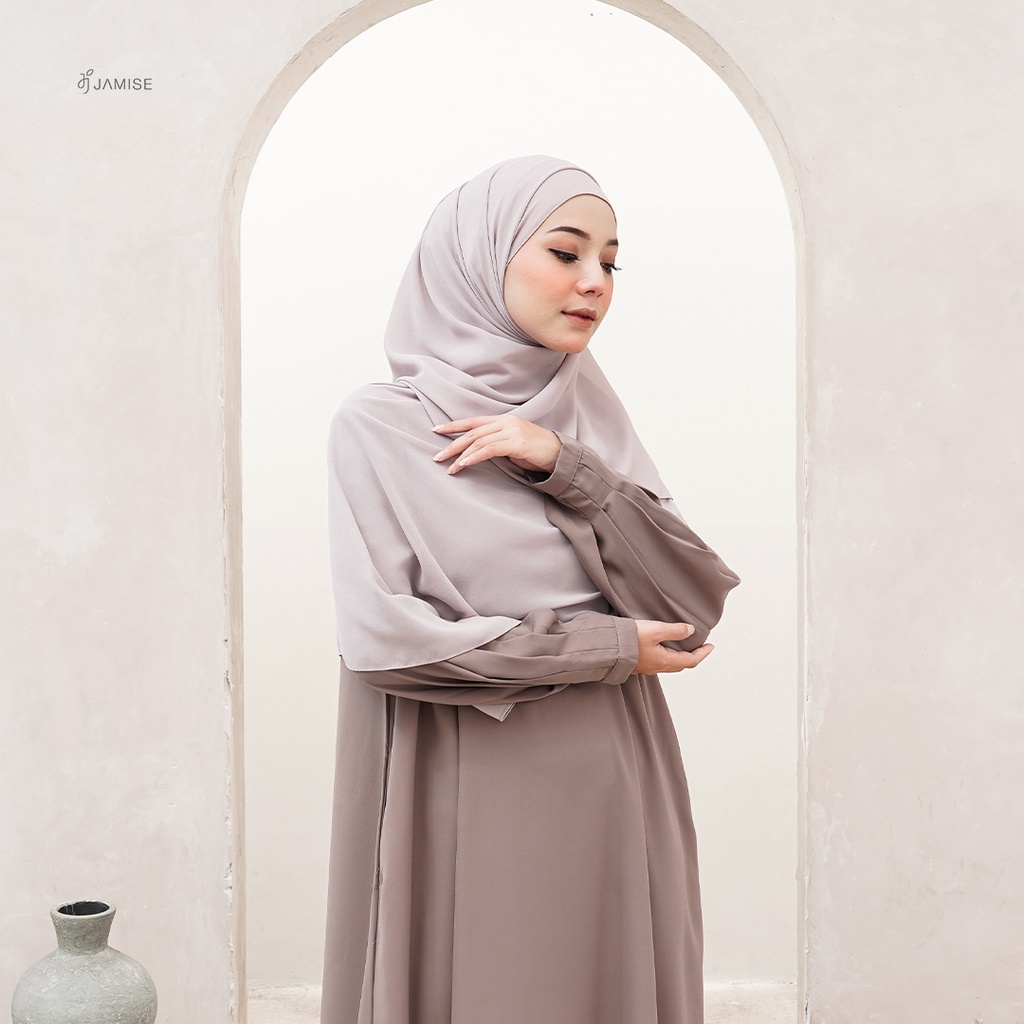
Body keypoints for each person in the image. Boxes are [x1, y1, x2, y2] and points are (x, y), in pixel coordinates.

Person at [320, 155, 740, 1024]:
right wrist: (606, 645)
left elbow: (690, 607)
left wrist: (564, 466)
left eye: (610, 262)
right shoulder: (383, 426)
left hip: (615, 773)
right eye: (565, 251)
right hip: (458, 776)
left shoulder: (588, 421)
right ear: (476, 262)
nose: (594, 282)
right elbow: (388, 642)